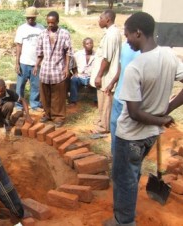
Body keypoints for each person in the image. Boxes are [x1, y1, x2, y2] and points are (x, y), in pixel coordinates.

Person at [104, 12, 183, 226]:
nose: (127, 40)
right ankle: (124, 217)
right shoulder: (168, 56)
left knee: (124, 179)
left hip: (130, 136)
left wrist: (161, 119)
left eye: (127, 35)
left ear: (138, 32)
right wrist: (167, 109)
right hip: (150, 137)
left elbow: (135, 113)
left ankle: (124, 222)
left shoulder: (135, 68)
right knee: (133, 172)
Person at [33, 11, 72, 128]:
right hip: (45, 71)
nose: (50, 25)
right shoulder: (42, 34)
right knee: (45, 95)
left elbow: (68, 52)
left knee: (58, 96)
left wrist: (66, 67)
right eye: (48, 23)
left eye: (53, 23)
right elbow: (39, 53)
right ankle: (48, 114)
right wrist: (36, 65)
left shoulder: (64, 34)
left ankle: (58, 117)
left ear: (58, 22)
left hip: (58, 70)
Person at [89, 9, 122, 135]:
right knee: (102, 100)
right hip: (105, 75)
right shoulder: (110, 32)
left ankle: (104, 127)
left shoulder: (111, 35)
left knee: (107, 101)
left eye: (100, 18)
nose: (99, 20)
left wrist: (99, 75)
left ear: (107, 20)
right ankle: (101, 121)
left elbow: (106, 58)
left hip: (107, 76)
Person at [109, 42, 140, 155]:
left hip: (131, 101)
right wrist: (112, 82)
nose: (126, 38)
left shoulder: (145, 53)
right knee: (114, 126)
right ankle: (114, 155)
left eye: (128, 34)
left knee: (127, 134)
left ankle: (126, 157)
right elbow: (121, 67)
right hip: (118, 96)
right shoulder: (126, 46)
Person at [14, 6, 44, 112]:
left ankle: (35, 104)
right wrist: (17, 63)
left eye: (32, 17)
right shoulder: (21, 29)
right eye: (28, 18)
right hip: (23, 62)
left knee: (35, 85)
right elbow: (18, 46)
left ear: (36, 17)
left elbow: (43, 47)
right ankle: (19, 104)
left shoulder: (41, 29)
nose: (30, 19)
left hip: (36, 63)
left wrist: (38, 63)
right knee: (20, 85)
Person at [68, 37, 95, 106]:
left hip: (91, 76)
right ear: (83, 45)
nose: (89, 45)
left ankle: (96, 101)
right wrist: (75, 73)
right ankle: (73, 101)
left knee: (97, 81)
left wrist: (93, 77)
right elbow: (73, 65)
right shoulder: (78, 54)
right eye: (87, 43)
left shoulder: (97, 55)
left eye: (91, 43)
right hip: (80, 76)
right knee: (74, 80)